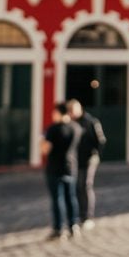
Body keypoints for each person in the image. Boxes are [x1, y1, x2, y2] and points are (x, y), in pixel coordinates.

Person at [41, 102, 82, 241]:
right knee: (71, 198)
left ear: (58, 112)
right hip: (70, 167)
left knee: (57, 199)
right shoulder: (76, 127)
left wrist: (42, 140)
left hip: (54, 168)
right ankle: (73, 226)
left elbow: (45, 149)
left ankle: (58, 229)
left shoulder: (53, 129)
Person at [67, 99, 106, 230]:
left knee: (86, 185)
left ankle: (88, 217)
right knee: (77, 186)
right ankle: (78, 215)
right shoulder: (71, 123)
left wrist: (95, 155)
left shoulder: (91, 122)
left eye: (73, 110)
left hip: (89, 159)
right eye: (70, 111)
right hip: (76, 160)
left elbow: (101, 140)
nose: (72, 113)